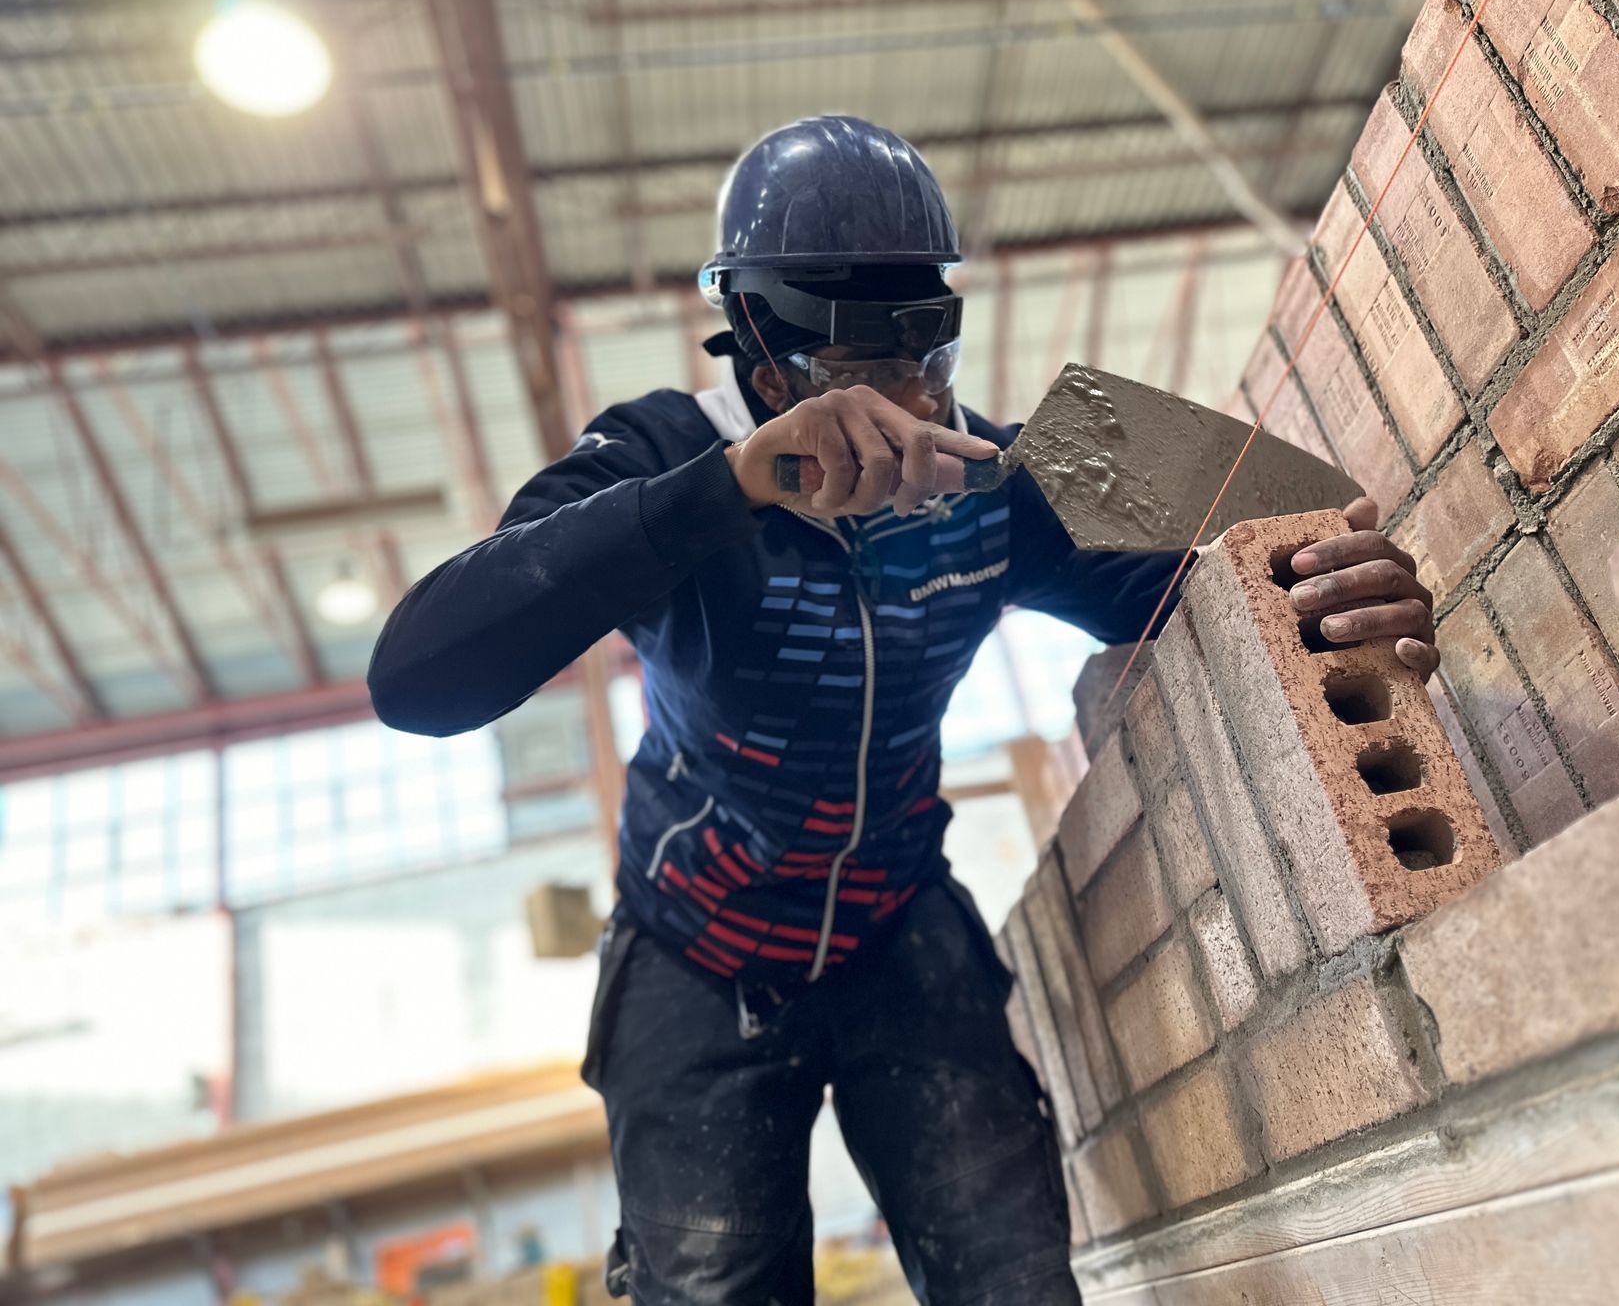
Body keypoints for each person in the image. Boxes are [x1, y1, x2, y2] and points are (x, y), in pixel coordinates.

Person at [368, 115, 1438, 1305]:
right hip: (698, 942)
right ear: (759, 349)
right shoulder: (663, 453)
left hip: (896, 921)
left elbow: (1268, 545)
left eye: (919, 355)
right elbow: (416, 681)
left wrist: (1337, 587)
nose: (895, 407)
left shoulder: (1008, 473)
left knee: (1013, 1278)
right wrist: (724, 491)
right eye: (852, 367)